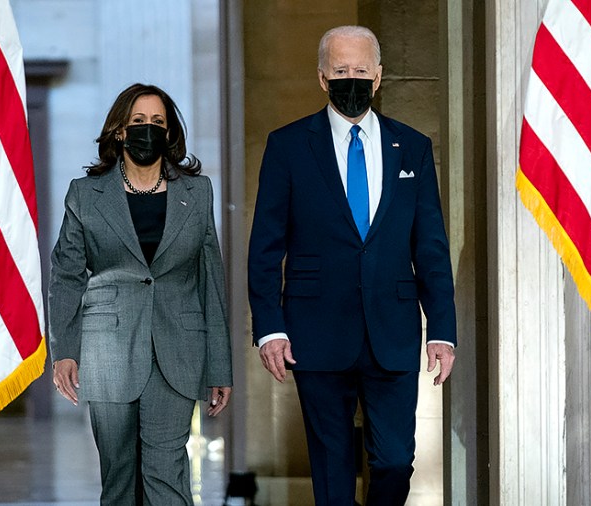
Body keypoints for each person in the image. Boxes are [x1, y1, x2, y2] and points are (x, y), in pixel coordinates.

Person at [247, 26, 457, 505]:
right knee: (332, 467)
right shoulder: (288, 146)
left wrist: (442, 329)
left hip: (393, 330)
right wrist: (270, 328)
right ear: (322, 78)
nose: (352, 79)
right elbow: (265, 248)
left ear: (379, 76)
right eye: (340, 71)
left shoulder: (414, 147)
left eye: (361, 70)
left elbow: (430, 248)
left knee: (393, 462)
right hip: (315, 332)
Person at [48, 83, 233, 506]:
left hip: (179, 349)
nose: (147, 130)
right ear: (119, 131)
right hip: (107, 349)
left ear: (169, 134)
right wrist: (64, 351)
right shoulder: (86, 194)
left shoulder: (197, 192)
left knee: (166, 472)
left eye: (157, 123)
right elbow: (67, 276)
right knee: (119, 479)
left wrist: (219, 366)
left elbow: (211, 279)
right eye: (137, 122)